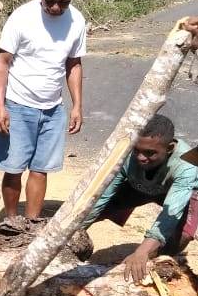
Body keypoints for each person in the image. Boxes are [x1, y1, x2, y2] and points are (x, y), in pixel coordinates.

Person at [0, 0, 86, 220]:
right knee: (13, 168)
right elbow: (2, 62)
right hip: (18, 105)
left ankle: (31, 224)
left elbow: (73, 64)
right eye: (50, 1)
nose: (55, 8)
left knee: (40, 169)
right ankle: (11, 222)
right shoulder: (21, 17)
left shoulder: (77, 21)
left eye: (62, 2)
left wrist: (76, 105)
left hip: (53, 109)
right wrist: (0, 107)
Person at [83, 115, 198, 283]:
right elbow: (102, 197)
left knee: (182, 235)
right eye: (137, 150)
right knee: (95, 208)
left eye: (150, 153)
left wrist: (143, 251)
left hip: (181, 195)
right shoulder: (127, 153)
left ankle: (156, 262)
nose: (141, 157)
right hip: (140, 187)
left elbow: (171, 212)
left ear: (170, 148)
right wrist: (74, 231)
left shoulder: (185, 166)